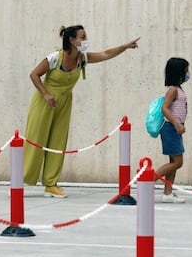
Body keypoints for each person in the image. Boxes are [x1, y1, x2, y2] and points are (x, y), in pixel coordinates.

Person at [23, 25, 139, 198]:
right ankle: (20, 180)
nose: (86, 40)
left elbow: (106, 54)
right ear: (72, 40)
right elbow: (34, 74)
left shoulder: (83, 59)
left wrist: (124, 47)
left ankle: (51, 184)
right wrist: (46, 94)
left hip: (64, 102)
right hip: (44, 101)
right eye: (82, 37)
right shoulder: (55, 58)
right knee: (36, 139)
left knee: (58, 142)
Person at [155, 57, 190, 203]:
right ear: (179, 72)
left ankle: (168, 193)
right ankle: (147, 180)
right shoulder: (173, 90)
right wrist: (176, 123)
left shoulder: (179, 90)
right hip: (170, 128)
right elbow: (164, 109)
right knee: (178, 162)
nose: (188, 73)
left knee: (173, 162)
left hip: (174, 128)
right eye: (186, 70)